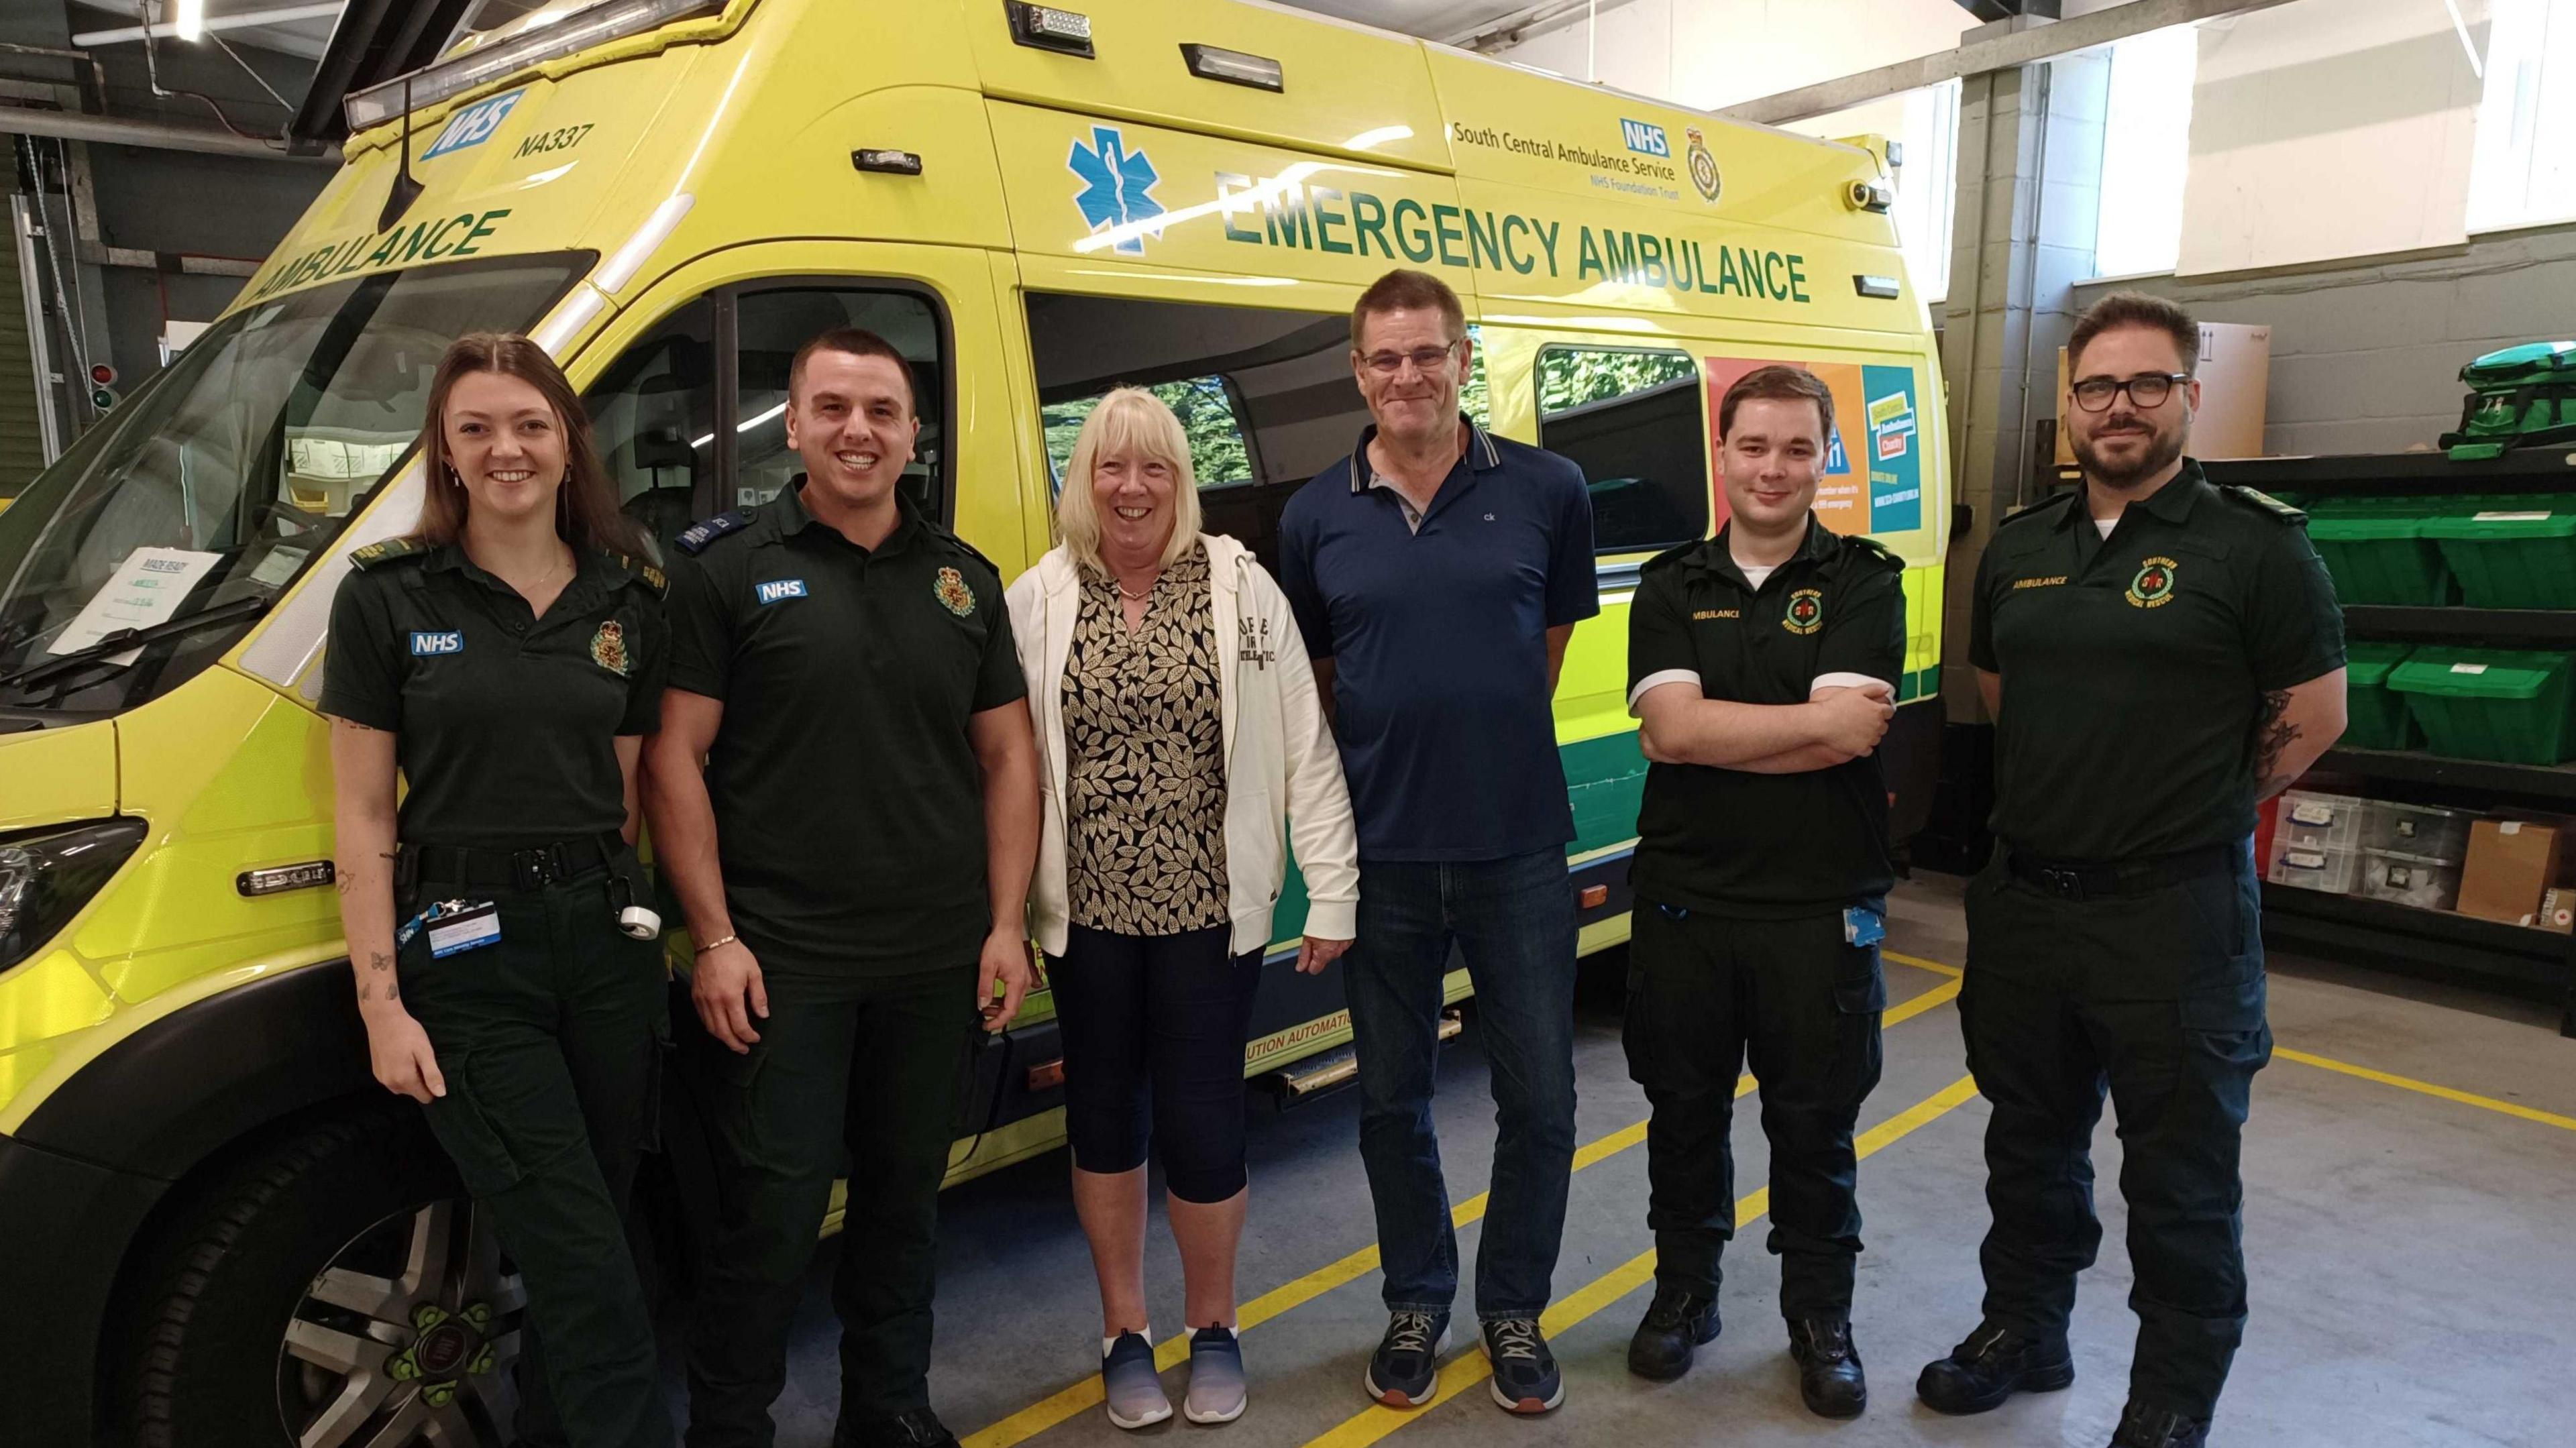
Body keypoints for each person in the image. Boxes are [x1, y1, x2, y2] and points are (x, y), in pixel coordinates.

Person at [1918, 292, 2346, 1448]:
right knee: (2029, 1144)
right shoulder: (2020, 549)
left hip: (2177, 916)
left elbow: (2311, 716)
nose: (2121, 407)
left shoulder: (2256, 547)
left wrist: (2179, 805)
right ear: (2069, 403)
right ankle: (2026, 1328)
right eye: (2099, 387)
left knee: (2181, 1179)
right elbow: (2005, 700)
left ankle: (2169, 1400)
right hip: (2029, 910)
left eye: (2148, 384)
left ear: (2189, 396)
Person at [642, 327, 1041, 1448]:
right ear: (796, 424)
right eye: (832, 409)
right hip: (785, 960)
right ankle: (732, 1426)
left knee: (906, 1202)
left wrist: (1005, 924)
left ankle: (889, 1409)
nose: (857, 431)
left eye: (881, 411)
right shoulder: (721, 572)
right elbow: (673, 758)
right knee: (768, 1214)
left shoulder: (963, 581)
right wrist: (714, 937)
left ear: (915, 432)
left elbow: (1010, 759)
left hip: (934, 956)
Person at [325, 332, 675, 1448]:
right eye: (475, 427)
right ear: (445, 449)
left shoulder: (628, 598)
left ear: (570, 443)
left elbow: (622, 796)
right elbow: (366, 815)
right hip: (470, 957)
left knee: (598, 1242)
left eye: (530, 424)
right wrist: (381, 999)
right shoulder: (386, 598)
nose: (506, 449)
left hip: (608, 942)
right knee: (587, 1264)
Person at [1004, 387, 1360, 1431]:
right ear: (1083, 482)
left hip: (1211, 915)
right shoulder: (1037, 597)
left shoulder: (1243, 589)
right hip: (1088, 919)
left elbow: (1305, 746)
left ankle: (1214, 1327)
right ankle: (1124, 1331)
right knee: (1104, 1121)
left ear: (1181, 478)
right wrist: (1005, 917)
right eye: (1110, 467)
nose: (1132, 487)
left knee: (1207, 1124)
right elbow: (1010, 767)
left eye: (1154, 465)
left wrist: (1329, 890)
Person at [1277, 268, 1599, 1416]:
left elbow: (1543, 649)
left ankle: (1513, 1309)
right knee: (1388, 1102)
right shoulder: (1315, 517)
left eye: (1429, 354)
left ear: (1466, 358)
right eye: (1385, 359)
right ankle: (1417, 1299)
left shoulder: (1552, 490)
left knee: (1543, 1101)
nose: (1408, 376)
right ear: (1358, 374)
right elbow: (1324, 681)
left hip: (1517, 849)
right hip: (1386, 860)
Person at [1621, 365, 1902, 1416]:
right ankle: (1684, 1295)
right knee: (1682, 1115)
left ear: (1825, 458)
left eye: (1798, 448)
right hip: (1688, 902)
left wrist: (1716, 736)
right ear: (1723, 454)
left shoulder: (1866, 580)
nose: (1774, 469)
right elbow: (1673, 732)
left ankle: (1819, 1318)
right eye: (1755, 446)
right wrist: (1805, 731)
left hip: (1819, 905)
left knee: (1816, 1125)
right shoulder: (1669, 582)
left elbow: (1847, 734)